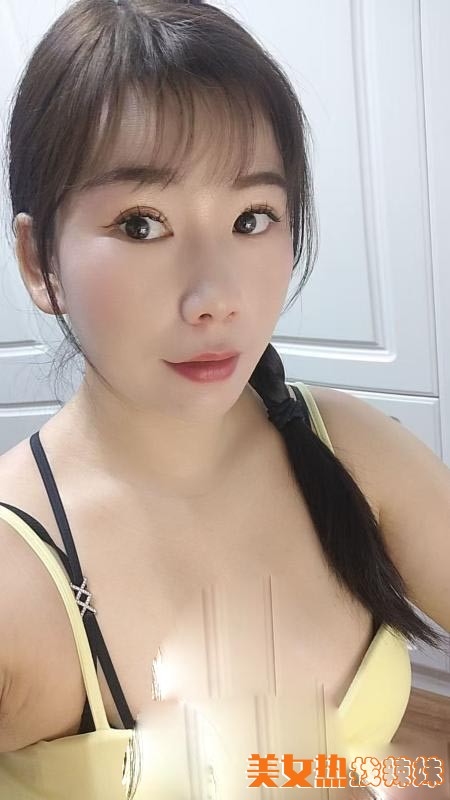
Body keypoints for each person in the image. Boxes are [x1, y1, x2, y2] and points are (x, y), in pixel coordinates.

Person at [0, 0, 449, 797]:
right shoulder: (17, 578)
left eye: (252, 217)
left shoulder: (349, 445)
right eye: (141, 224)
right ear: (40, 263)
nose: (216, 298)